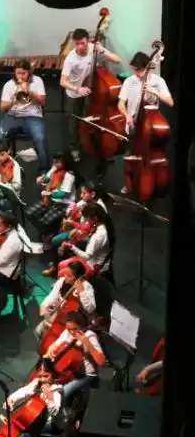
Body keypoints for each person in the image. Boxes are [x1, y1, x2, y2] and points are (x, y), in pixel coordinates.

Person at [117, 51, 175, 194]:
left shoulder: (158, 81)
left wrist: (153, 91)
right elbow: (121, 104)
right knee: (129, 158)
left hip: (150, 128)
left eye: (139, 70)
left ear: (147, 68)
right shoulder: (129, 81)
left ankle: (150, 181)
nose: (136, 73)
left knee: (150, 155)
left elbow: (170, 102)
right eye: (134, 70)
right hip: (132, 125)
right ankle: (129, 183)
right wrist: (127, 116)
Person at [60, 28, 121, 160]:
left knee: (92, 120)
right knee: (74, 123)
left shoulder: (94, 49)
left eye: (82, 43)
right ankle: (74, 149)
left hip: (89, 91)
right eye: (76, 44)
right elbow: (63, 82)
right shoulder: (71, 58)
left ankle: (97, 147)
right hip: (74, 93)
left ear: (88, 41)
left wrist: (102, 50)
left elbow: (117, 60)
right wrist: (77, 89)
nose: (79, 47)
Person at [3, 358, 66, 437]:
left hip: (55, 423)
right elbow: (25, 391)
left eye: (46, 376)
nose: (43, 379)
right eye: (40, 376)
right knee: (26, 422)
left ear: (52, 374)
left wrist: (50, 398)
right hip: (43, 417)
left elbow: (55, 414)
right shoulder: (38, 382)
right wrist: (11, 399)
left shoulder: (57, 390)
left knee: (28, 431)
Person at [0, 59, 50, 170]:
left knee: (40, 138)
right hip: (13, 116)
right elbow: (3, 107)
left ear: (29, 72)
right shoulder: (9, 84)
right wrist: (14, 100)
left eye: (23, 73)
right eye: (18, 73)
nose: (20, 76)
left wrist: (29, 92)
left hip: (33, 116)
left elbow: (43, 101)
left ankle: (43, 171)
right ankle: (3, 167)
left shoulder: (37, 81)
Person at [43, 310, 105, 400]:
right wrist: (51, 349)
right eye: (69, 329)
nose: (71, 332)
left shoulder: (90, 336)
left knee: (59, 395)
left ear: (81, 325)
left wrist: (87, 343)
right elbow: (55, 345)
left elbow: (101, 361)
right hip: (69, 372)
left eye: (75, 328)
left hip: (85, 374)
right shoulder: (66, 332)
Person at [53, 202, 113, 279]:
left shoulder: (98, 235)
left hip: (93, 266)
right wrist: (84, 237)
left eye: (88, 218)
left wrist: (71, 247)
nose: (87, 221)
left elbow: (86, 257)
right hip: (97, 260)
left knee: (62, 265)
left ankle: (63, 282)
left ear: (95, 218)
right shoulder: (105, 226)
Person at [26, 153, 77, 234]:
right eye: (54, 161)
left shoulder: (69, 175)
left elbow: (62, 194)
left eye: (58, 162)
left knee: (44, 222)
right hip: (51, 200)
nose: (55, 164)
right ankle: (46, 232)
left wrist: (49, 194)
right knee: (29, 213)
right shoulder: (54, 169)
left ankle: (49, 232)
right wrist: (41, 179)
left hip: (64, 204)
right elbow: (46, 179)